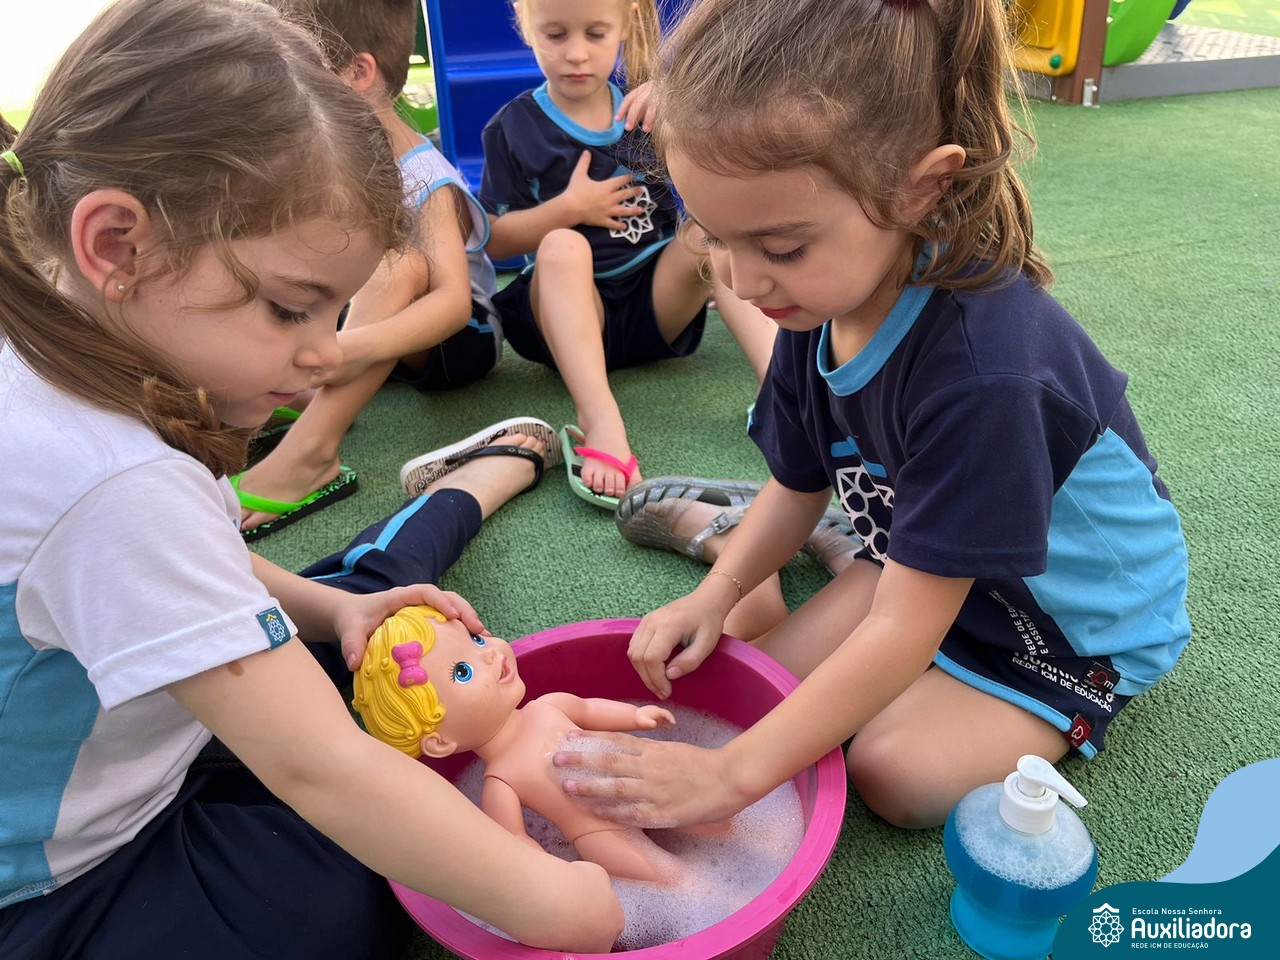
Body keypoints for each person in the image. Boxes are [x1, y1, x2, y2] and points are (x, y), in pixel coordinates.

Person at [0, 2, 622, 958]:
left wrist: (330, 613)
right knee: (341, 894)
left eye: (335, 312)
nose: (328, 354)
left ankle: (466, 487)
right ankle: (474, 478)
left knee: (375, 629)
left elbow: (198, 557)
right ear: (117, 244)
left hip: (161, 726)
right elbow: (320, 769)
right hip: (68, 877)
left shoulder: (69, 345)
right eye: (292, 309)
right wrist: (559, 904)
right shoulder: (110, 481)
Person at [554, 0, 1191, 833]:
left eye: (782, 247)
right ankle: (853, 541)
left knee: (895, 771)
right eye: (713, 236)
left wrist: (727, 779)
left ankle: (858, 546)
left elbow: (901, 630)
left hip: (1065, 628)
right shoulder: (814, 303)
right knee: (755, 683)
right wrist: (718, 592)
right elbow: (797, 482)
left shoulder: (985, 374)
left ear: (921, 188)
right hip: (922, 568)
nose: (742, 282)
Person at [479, 0, 776, 506]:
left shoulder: (648, 109)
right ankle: (600, 418)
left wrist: (678, 105)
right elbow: (495, 240)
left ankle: (784, 393)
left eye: (595, 34)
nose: (576, 54)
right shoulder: (513, 127)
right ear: (526, 28)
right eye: (555, 35)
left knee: (705, 234)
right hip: (569, 318)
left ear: (625, 26)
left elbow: (731, 156)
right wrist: (569, 209)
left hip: (652, 308)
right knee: (562, 245)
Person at [235, 0, 506, 539]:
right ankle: (301, 389)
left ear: (358, 72)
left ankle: (312, 453)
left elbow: (453, 304)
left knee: (400, 263)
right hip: (374, 329)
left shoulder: (421, 173)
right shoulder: (336, 160)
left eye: (302, 73)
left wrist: (342, 351)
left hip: (458, 342)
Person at [354, 605, 685, 883]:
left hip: (637, 779)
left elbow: (588, 709)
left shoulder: (546, 706)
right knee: (668, 877)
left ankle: (718, 835)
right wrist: (552, 874)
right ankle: (696, 890)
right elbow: (515, 841)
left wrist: (636, 715)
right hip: (598, 832)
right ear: (440, 742)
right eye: (463, 671)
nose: (490, 653)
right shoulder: (500, 781)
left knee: (699, 812)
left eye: (475, 639)